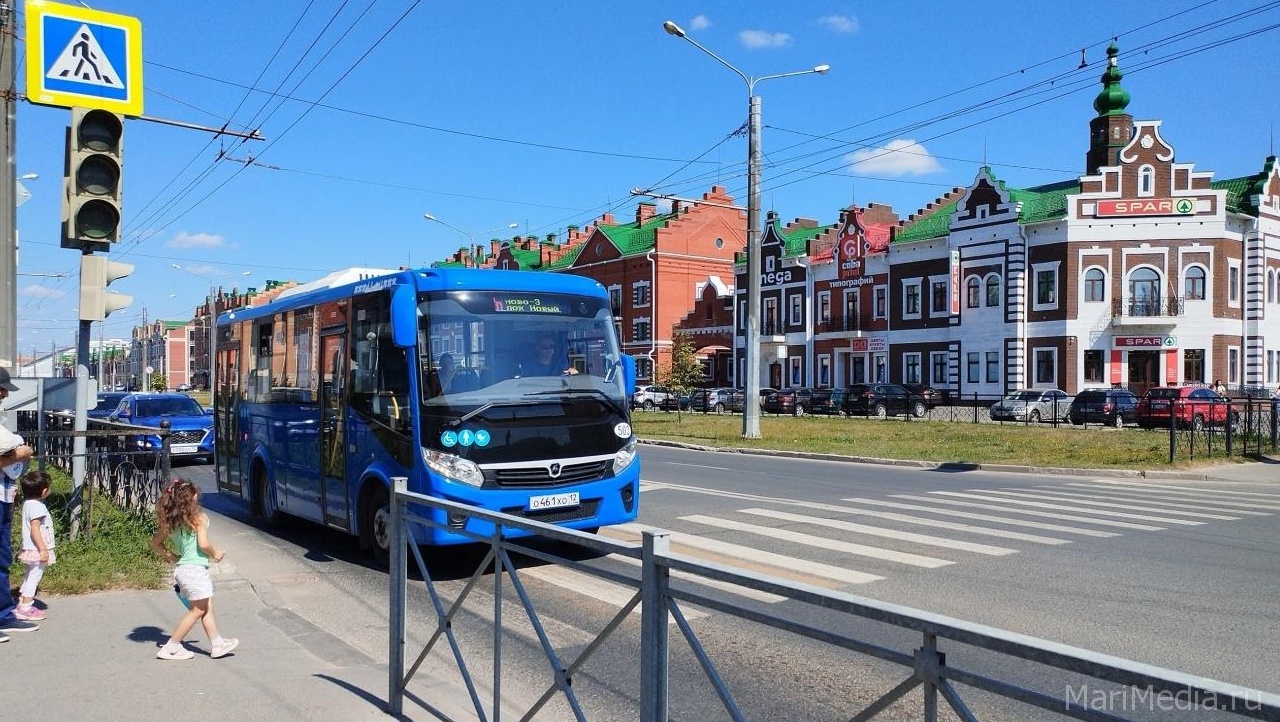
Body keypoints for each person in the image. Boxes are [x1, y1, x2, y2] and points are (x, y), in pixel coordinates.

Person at [150, 478, 239, 660]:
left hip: (183, 570)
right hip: (195, 572)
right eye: (194, 493)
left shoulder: (171, 522)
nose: (197, 495)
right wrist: (215, 553)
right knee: (198, 610)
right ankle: (171, 646)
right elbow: (204, 544)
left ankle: (217, 644)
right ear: (190, 499)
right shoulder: (199, 518)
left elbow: (155, 543)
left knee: (206, 606)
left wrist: (174, 557)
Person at [0, 366, 38, 640]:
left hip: (3, 495)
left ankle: (4, 615)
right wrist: (18, 454)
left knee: (2, 557)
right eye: (2, 390)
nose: (4, 395)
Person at [15, 471, 55, 622]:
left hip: (30, 547)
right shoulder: (38, 507)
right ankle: (26, 608)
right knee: (34, 577)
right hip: (38, 548)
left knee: (29, 575)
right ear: (44, 491)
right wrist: (43, 549)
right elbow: (35, 529)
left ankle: (22, 602)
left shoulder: (27, 504)